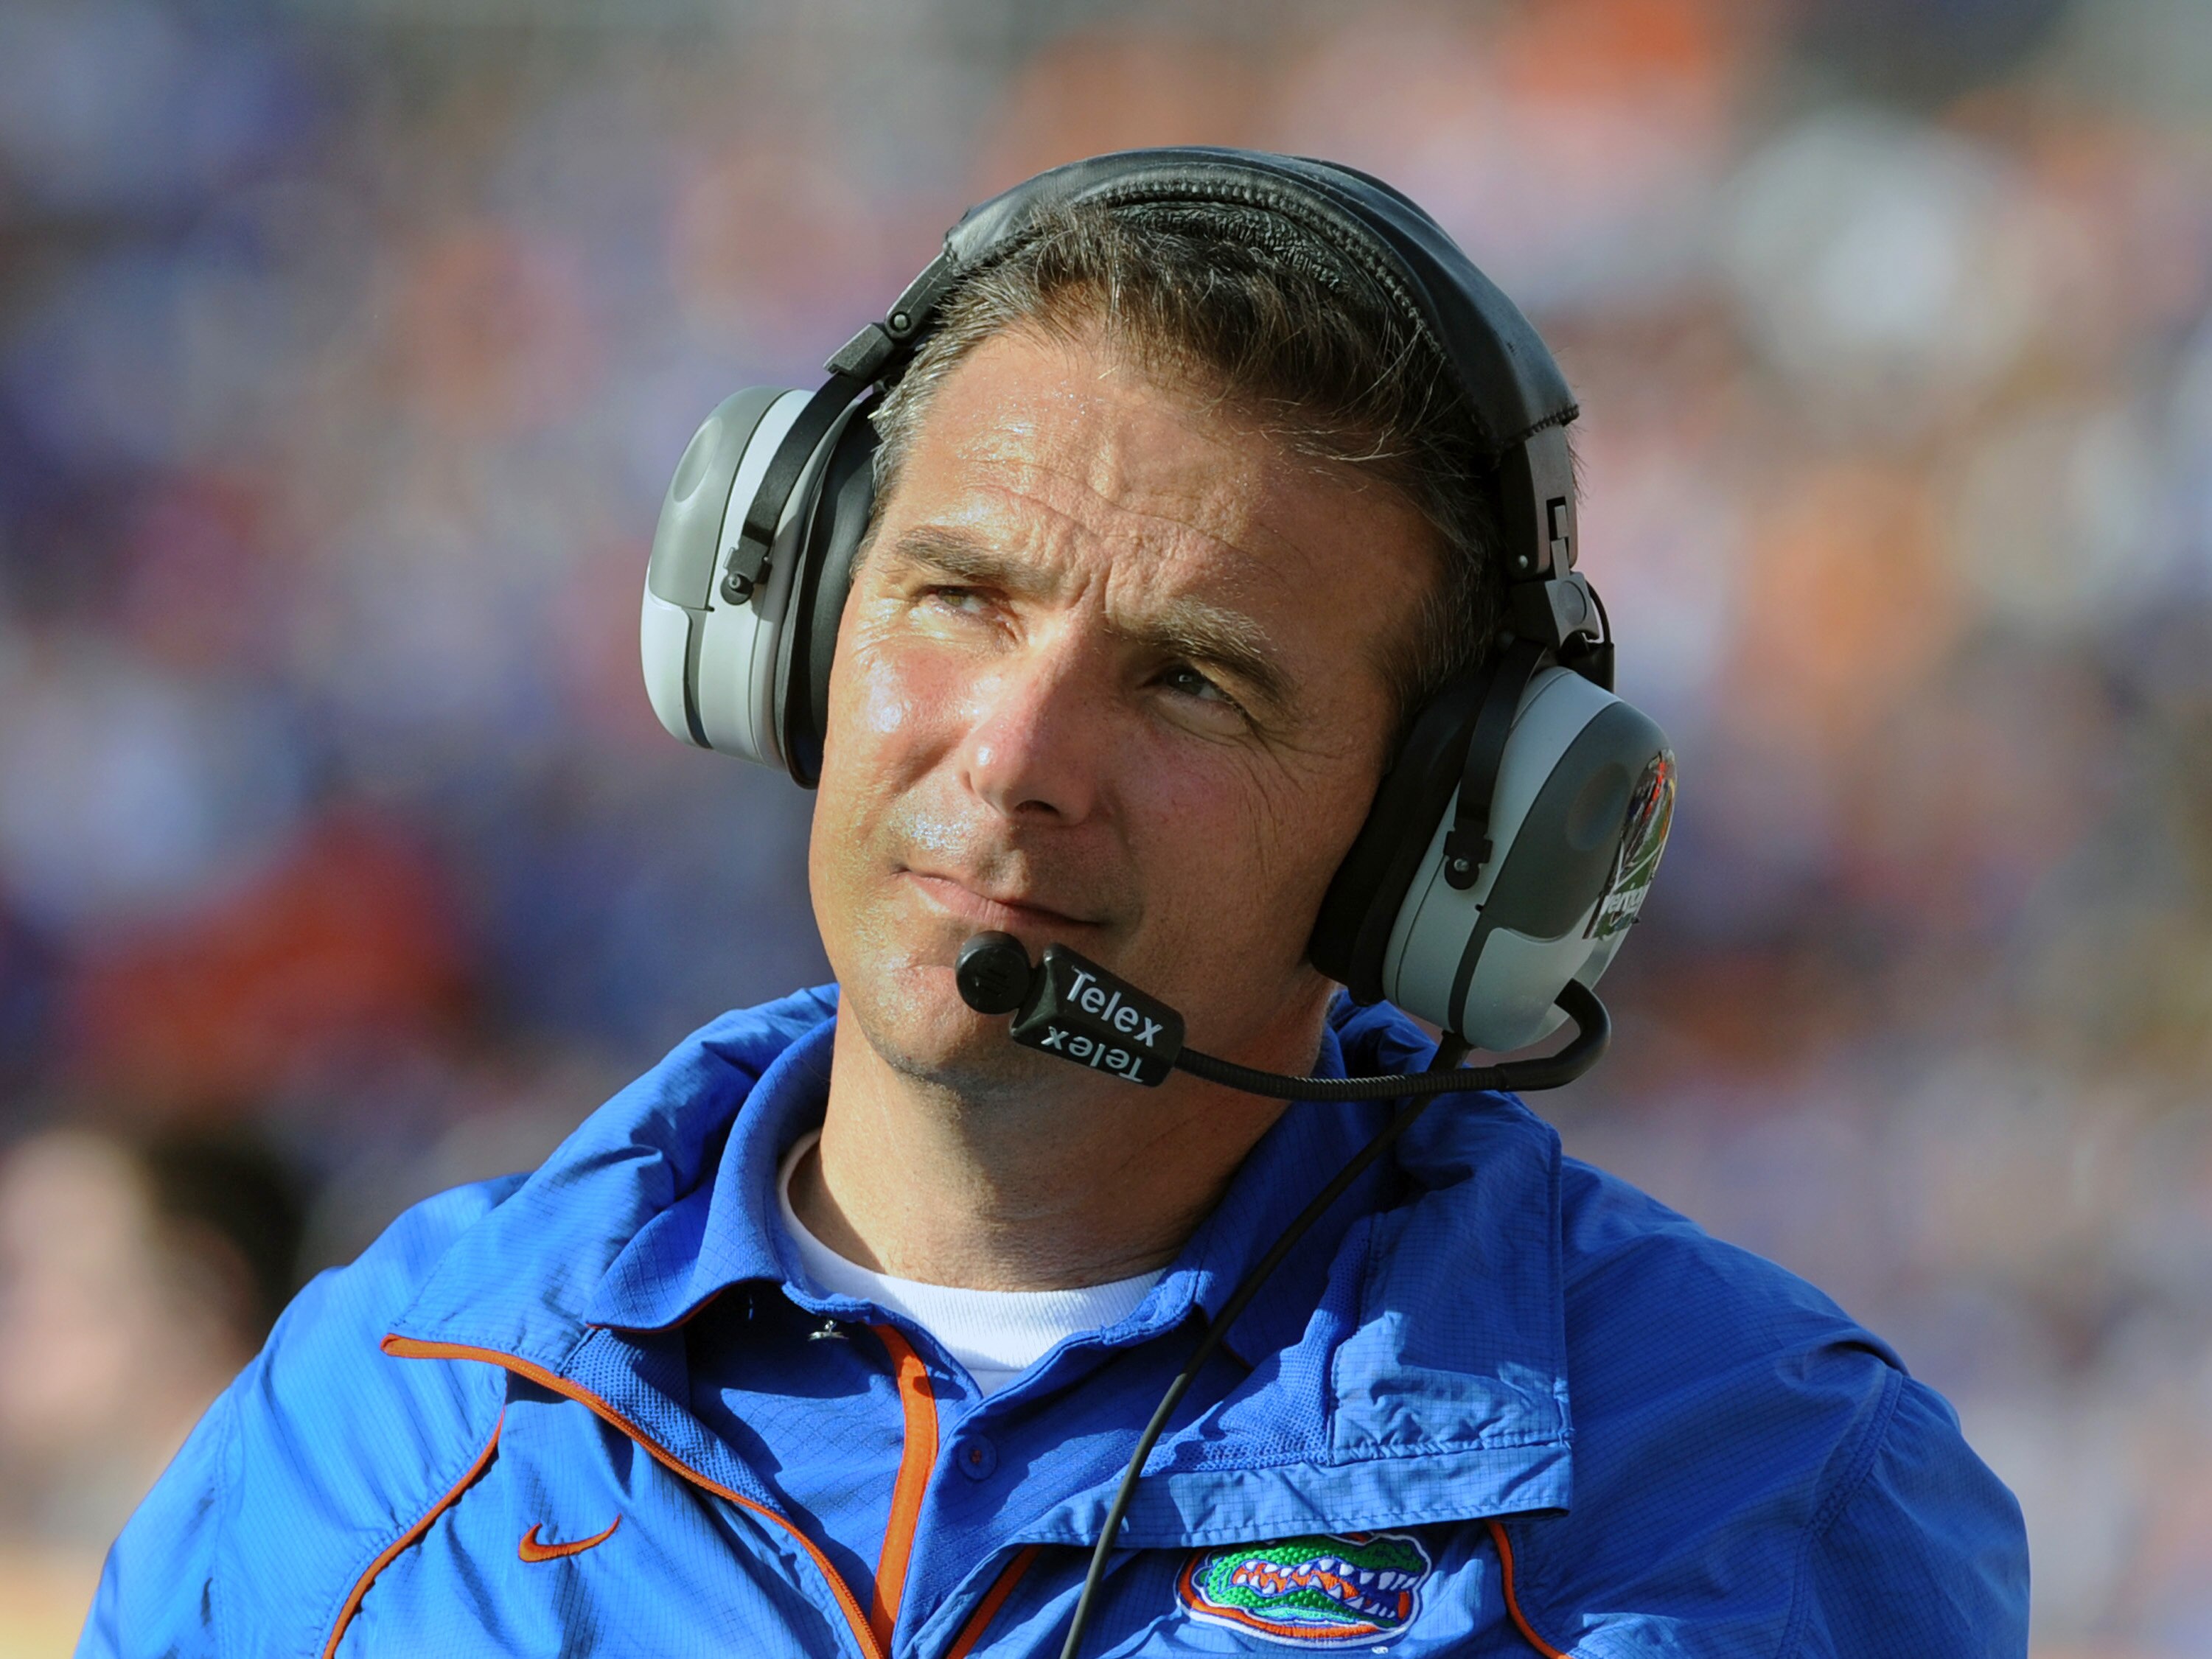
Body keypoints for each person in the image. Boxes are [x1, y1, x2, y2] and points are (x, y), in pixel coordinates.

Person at [83, 152, 2028, 1658]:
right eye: (959, 596)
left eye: (1192, 676)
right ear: (784, 627)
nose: (1014, 754)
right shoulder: (388, 1399)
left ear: (1439, 834)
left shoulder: (1742, 1479)